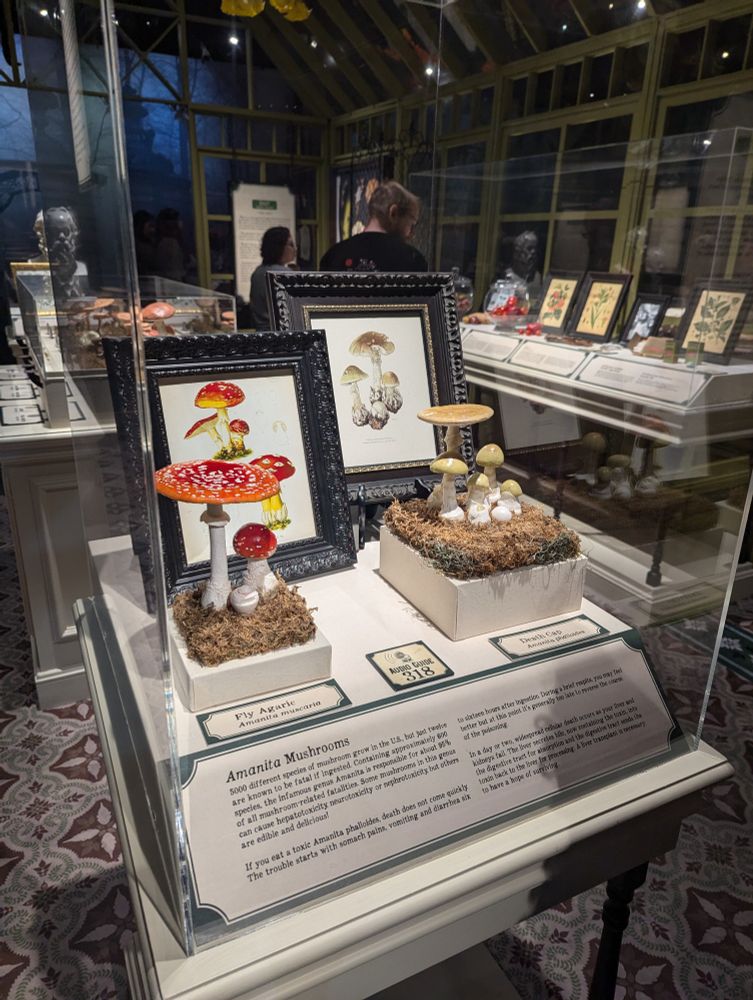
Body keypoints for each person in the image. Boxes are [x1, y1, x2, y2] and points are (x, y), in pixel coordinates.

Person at [320, 180, 428, 273]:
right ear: (393, 213)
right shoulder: (412, 260)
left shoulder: (333, 256)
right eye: (412, 224)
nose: (411, 234)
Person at [250, 226, 297, 329]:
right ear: (279, 247)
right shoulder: (284, 273)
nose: (295, 249)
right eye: (290, 244)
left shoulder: (257, 272)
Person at [133, 210, 159, 275]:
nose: (153, 230)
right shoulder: (136, 247)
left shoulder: (152, 245)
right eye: (150, 226)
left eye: (154, 227)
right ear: (140, 226)